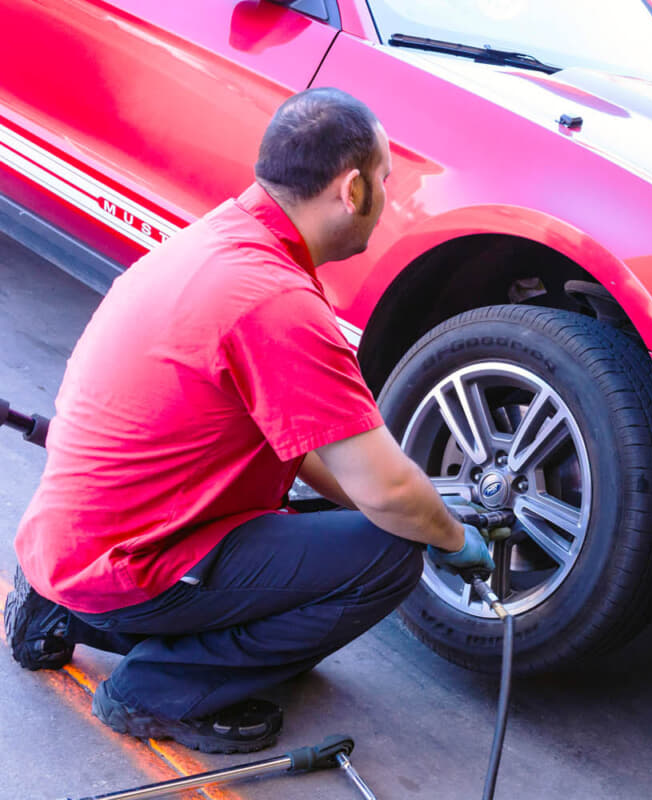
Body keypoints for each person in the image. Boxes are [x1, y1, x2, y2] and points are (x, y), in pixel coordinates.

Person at [3, 87, 495, 754]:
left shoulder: (218, 243)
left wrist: (377, 506)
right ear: (352, 190)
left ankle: (58, 608)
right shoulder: (278, 303)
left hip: (69, 546)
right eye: (385, 179)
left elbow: (315, 453)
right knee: (387, 557)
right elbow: (390, 493)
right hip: (129, 568)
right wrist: (447, 532)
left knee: (342, 525)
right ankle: (159, 689)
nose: (388, 196)